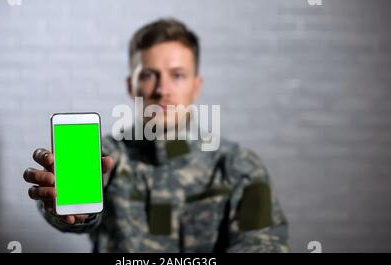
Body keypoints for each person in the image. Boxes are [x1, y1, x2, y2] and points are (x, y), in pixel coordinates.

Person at [23, 18, 289, 252]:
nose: (163, 90)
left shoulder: (239, 166)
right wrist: (69, 210)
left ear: (196, 86)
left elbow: (262, 245)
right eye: (149, 75)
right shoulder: (103, 157)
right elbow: (73, 218)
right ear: (131, 85)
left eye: (178, 75)